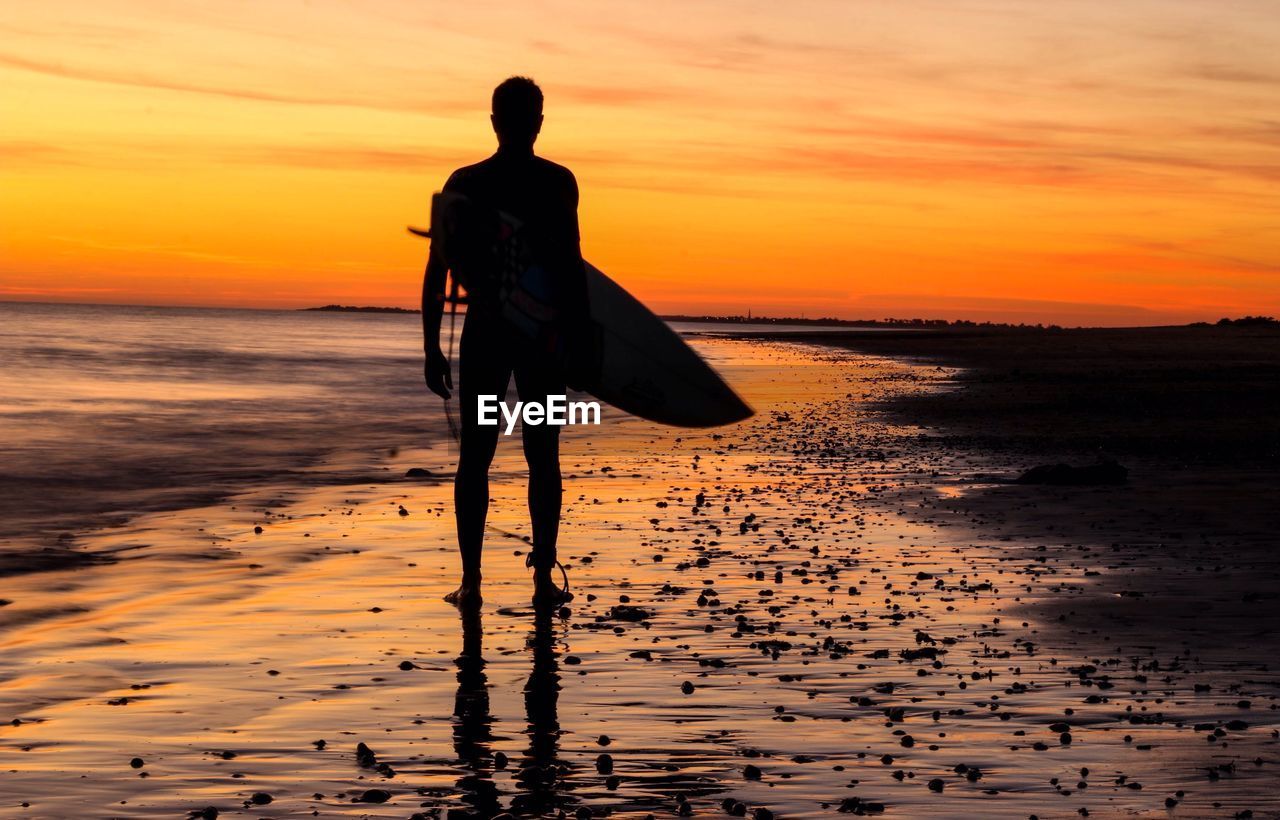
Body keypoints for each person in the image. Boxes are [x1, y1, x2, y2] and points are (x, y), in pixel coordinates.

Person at [422, 76, 588, 608]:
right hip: (543, 338)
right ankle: (540, 581)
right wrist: (582, 344)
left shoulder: (467, 181)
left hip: (491, 335)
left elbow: (435, 272)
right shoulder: (559, 183)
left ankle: (472, 584)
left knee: (478, 457)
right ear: (538, 121)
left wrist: (432, 346)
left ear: (494, 121)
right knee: (542, 455)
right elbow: (571, 272)